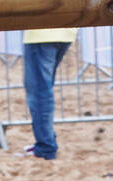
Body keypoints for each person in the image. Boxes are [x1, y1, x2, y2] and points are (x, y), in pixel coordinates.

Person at [21, 29, 77, 160]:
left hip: (41, 34)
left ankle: (46, 146)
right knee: (43, 89)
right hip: (65, 32)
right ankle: (46, 141)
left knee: (40, 92)